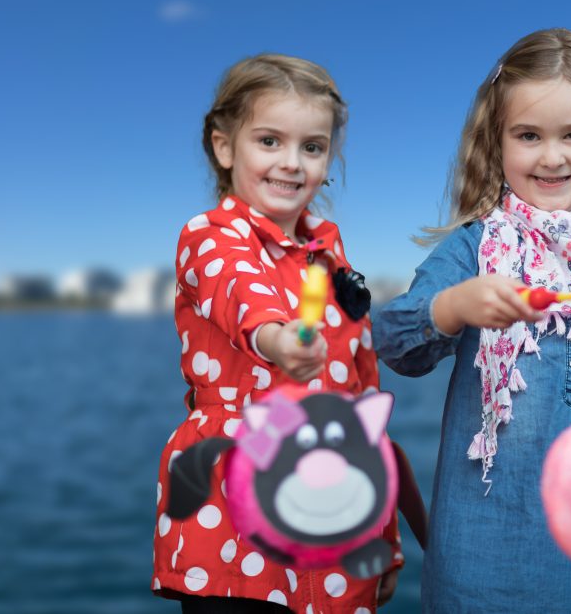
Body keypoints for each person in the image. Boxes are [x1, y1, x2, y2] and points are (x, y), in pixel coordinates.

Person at [374, 29, 571, 614]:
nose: (551, 156)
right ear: (496, 143)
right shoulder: (474, 248)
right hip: (483, 565)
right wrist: (456, 306)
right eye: (528, 136)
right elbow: (395, 340)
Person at [153, 54, 402, 614]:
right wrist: (275, 339)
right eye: (269, 141)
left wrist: (383, 538)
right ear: (224, 147)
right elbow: (238, 290)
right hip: (235, 511)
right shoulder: (209, 236)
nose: (292, 164)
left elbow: (363, 399)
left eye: (311, 147)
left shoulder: (330, 257)